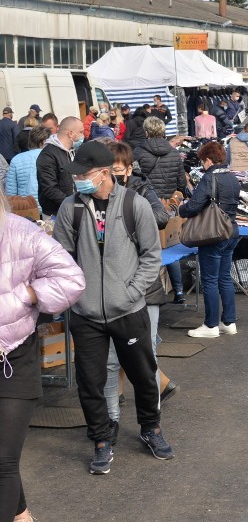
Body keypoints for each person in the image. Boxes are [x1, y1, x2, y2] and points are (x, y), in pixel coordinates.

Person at [52, 140, 173, 474]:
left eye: (84, 174)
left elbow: (151, 256)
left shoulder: (135, 205)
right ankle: (102, 440)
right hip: (85, 314)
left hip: (129, 309)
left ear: (104, 172)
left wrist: (131, 292)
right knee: (90, 383)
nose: (77, 180)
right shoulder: (70, 207)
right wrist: (76, 295)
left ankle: (151, 428)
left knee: (144, 376)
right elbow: (60, 258)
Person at [0, 186, 85, 522]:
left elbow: (71, 279)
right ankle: (22, 515)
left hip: (13, 357)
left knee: (3, 460)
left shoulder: (24, 233)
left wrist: (28, 294)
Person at [103, 140, 179, 423]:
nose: (111, 176)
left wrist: (128, 210)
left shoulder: (140, 190)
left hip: (143, 288)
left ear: (129, 169)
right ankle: (114, 415)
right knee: (113, 356)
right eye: (107, 170)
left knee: (145, 351)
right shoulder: (93, 198)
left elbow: (162, 216)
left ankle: (152, 419)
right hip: (110, 288)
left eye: (117, 170)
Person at [179, 142, 241, 339]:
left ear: (207, 160)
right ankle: (229, 322)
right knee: (224, 278)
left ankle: (211, 325)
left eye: (202, 161)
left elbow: (195, 205)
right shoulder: (232, 177)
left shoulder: (209, 177)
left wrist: (181, 209)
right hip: (231, 231)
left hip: (214, 234)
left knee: (210, 280)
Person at [134, 116, 186, 303]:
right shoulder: (173, 153)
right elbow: (181, 182)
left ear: (146, 132)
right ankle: (179, 291)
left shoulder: (138, 152)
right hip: (168, 203)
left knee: (145, 248)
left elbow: (135, 180)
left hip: (145, 203)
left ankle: (149, 292)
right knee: (169, 245)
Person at [37, 116, 82, 216]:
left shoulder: (73, 151)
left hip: (74, 209)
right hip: (56, 212)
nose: (83, 136)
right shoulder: (48, 155)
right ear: (71, 133)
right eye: (81, 132)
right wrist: (72, 204)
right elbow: (49, 188)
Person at [6, 125, 49, 210]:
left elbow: (11, 191)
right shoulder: (51, 157)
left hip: (26, 208)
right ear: (44, 141)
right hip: (48, 207)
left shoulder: (16, 159)